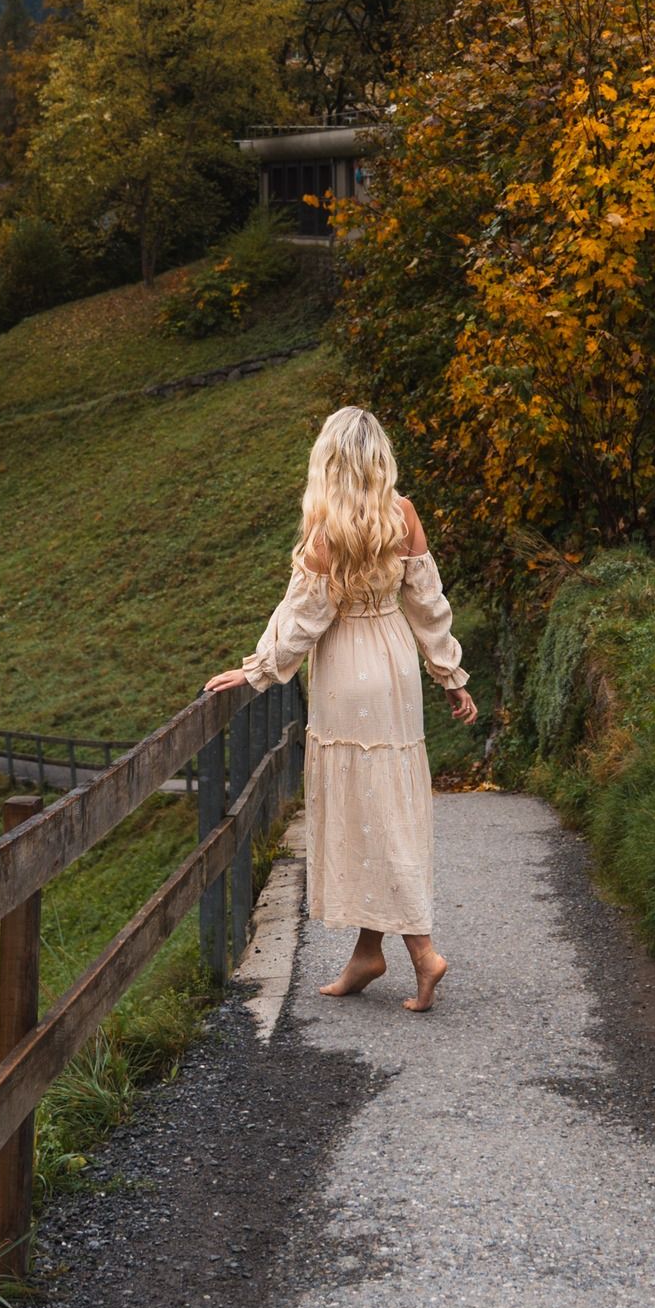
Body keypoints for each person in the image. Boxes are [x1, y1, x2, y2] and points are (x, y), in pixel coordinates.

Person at [206, 404, 476, 1013]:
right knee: (383, 804)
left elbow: (302, 622)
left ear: (330, 460)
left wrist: (254, 671)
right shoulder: (402, 515)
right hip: (395, 667)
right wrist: (449, 673)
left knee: (366, 807)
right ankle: (366, 953)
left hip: (346, 673)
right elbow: (428, 604)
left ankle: (423, 952)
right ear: (379, 457)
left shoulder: (328, 533)